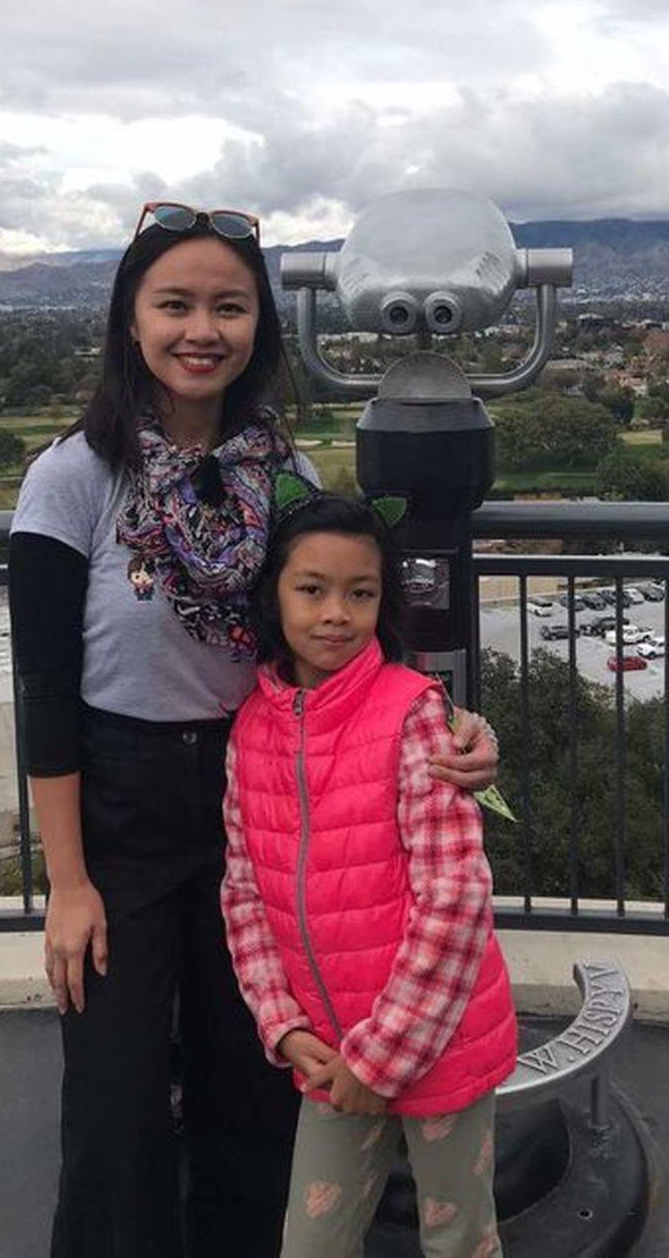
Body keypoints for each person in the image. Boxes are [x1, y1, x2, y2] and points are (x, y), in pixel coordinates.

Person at [7, 201, 501, 1258]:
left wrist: (455, 733)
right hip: (118, 806)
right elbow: (45, 688)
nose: (202, 329)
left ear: (258, 328)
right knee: (118, 1094)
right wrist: (68, 881)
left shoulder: (288, 483)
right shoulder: (73, 479)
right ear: (129, 320)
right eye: (174, 303)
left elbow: (348, 645)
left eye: (228, 306)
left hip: (262, 802)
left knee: (255, 1080)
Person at [221, 488, 517, 1258]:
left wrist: (381, 1057)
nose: (334, 615)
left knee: (458, 1237)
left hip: (436, 1045)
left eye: (360, 593)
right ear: (273, 595)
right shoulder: (252, 727)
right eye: (310, 590)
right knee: (312, 1241)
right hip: (326, 1049)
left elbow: (455, 898)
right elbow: (243, 889)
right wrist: (280, 1026)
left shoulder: (413, 712)